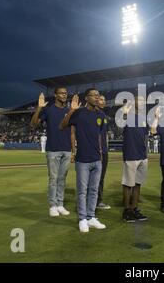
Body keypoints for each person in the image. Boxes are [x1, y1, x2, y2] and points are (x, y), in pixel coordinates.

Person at [60, 89, 106, 232]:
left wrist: (101, 154)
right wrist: (71, 111)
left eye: (98, 95)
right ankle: (82, 219)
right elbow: (62, 126)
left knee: (93, 190)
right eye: (94, 95)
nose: (97, 97)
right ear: (86, 98)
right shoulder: (79, 113)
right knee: (82, 191)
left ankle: (91, 217)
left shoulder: (101, 114)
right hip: (83, 160)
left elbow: (100, 136)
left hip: (97, 159)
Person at [30, 88, 72, 217]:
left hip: (67, 149)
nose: (64, 95)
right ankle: (53, 205)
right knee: (53, 179)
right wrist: (39, 108)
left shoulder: (69, 111)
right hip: (53, 149)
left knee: (62, 179)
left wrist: (74, 150)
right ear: (55, 95)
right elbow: (33, 124)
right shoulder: (48, 109)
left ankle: (60, 204)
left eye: (65, 93)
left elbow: (73, 131)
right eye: (61, 93)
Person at [120, 96, 149, 222]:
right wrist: (124, 113)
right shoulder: (126, 116)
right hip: (131, 154)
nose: (142, 102)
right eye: (140, 100)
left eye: (144, 101)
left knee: (138, 184)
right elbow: (120, 126)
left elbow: (146, 135)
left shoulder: (144, 118)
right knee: (128, 184)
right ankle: (127, 210)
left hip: (142, 155)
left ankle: (134, 208)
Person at [96, 95, 111, 210]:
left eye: (104, 100)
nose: (103, 101)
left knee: (101, 177)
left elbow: (104, 135)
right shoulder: (92, 114)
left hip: (104, 151)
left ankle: (98, 201)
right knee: (93, 178)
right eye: (101, 99)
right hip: (96, 150)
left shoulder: (104, 116)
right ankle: (91, 201)